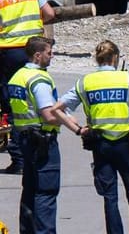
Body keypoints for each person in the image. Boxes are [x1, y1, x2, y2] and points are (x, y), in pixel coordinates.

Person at [54, 40, 129, 234]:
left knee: (110, 198)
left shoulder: (86, 82)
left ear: (97, 59)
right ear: (115, 58)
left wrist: (78, 129)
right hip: (126, 145)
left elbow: (57, 108)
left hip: (101, 146)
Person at [7, 36, 85, 234]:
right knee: (46, 193)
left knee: (30, 190)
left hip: (25, 137)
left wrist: (69, 118)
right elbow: (49, 115)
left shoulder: (18, 76)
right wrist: (72, 126)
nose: (52, 57)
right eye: (49, 53)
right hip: (42, 141)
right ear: (37, 55)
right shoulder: (39, 79)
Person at [0, 0, 55, 175]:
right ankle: (42, 149)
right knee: (37, 99)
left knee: (13, 103)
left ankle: (20, 159)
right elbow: (49, 13)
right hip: (34, 49)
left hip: (9, 52)